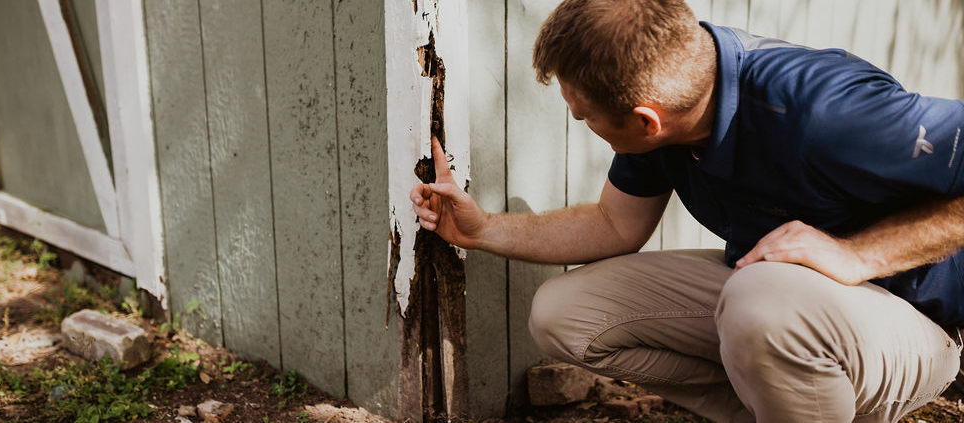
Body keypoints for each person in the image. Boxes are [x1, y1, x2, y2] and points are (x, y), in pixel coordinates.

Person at [410, 0, 964, 421]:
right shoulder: (676, 107)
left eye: (584, 117)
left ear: (646, 120)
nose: (581, 122)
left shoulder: (823, 108)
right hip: (780, 305)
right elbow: (614, 223)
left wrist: (858, 254)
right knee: (564, 313)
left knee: (759, 301)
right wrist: (484, 230)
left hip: (915, 322)